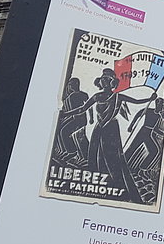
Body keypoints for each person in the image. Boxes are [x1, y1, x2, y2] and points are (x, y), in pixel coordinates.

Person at [60, 68, 155, 203]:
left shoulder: (118, 96)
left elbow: (136, 102)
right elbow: (82, 109)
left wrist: (149, 98)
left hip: (111, 129)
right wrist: (65, 113)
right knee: (94, 155)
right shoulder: (97, 96)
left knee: (113, 159)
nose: (104, 81)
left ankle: (117, 186)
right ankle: (97, 183)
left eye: (107, 79)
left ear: (112, 82)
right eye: (103, 79)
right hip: (99, 129)